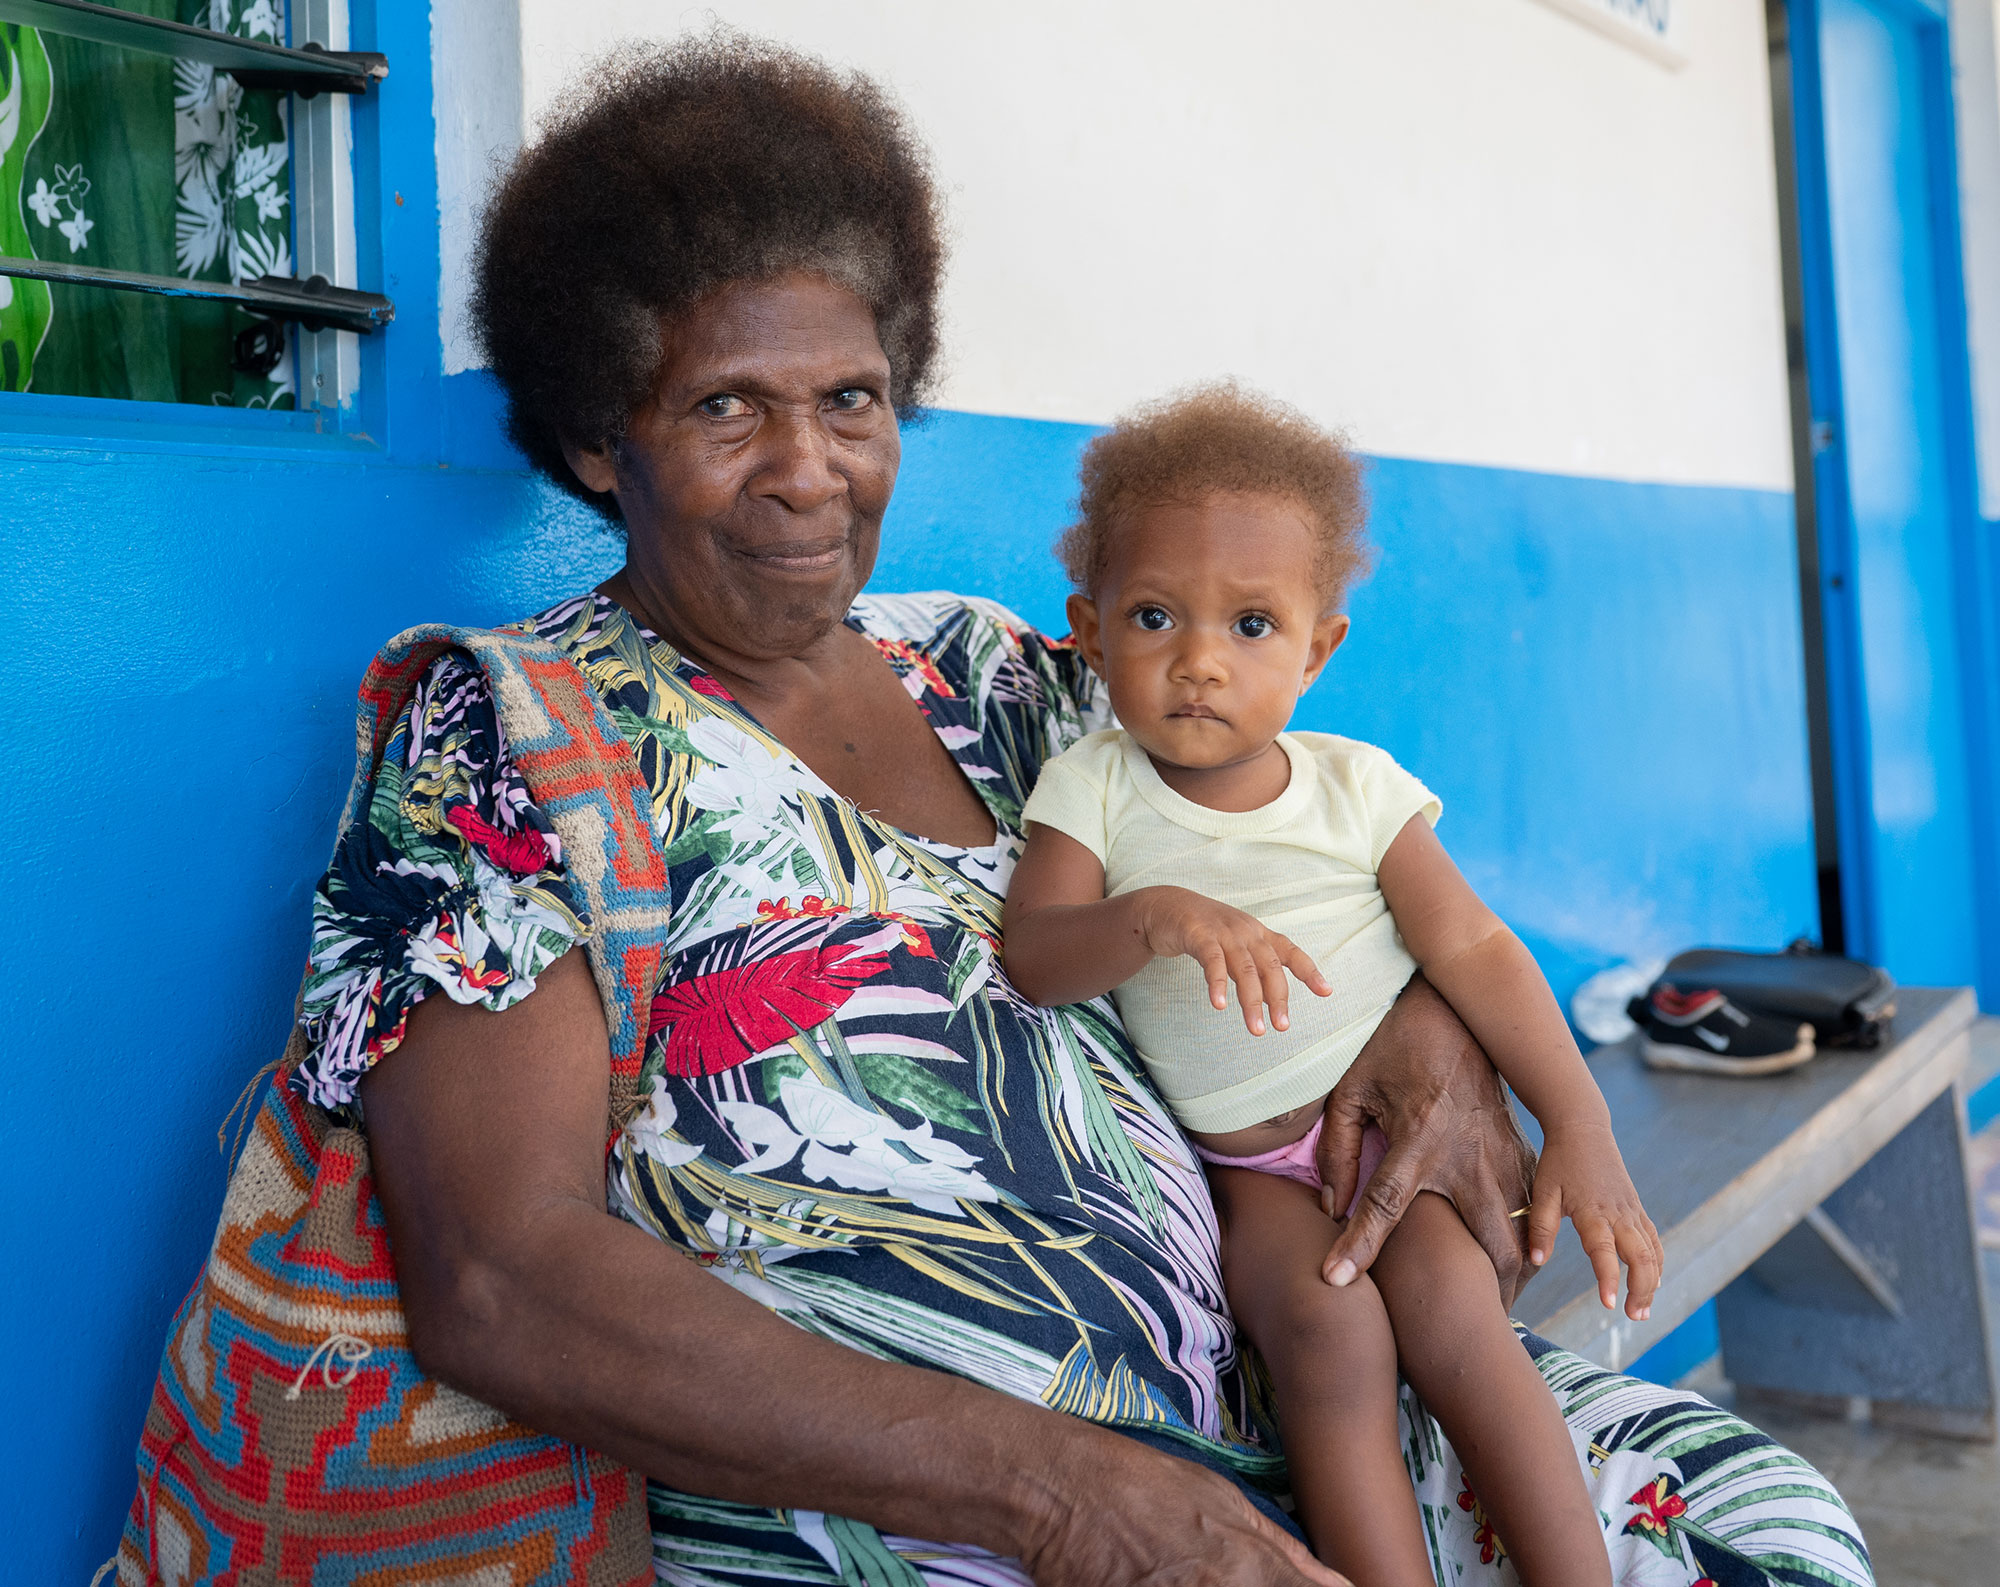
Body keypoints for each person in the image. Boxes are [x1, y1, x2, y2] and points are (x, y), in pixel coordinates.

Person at [298, 32, 1874, 1586]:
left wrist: (1425, 1035)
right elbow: (502, 1276)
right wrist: (1063, 1497)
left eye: (851, 399)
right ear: (598, 436)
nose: (806, 469)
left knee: (1768, 1528)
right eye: (726, 409)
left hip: (1281, 1401)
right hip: (912, 1516)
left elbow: (1306, 849)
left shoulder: (994, 675)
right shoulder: (516, 740)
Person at [1002, 385, 1664, 1586]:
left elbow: (1473, 950)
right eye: (1153, 616)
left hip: (1397, 1144)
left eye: (1250, 626)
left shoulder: (1355, 789)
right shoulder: (1092, 787)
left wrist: (1577, 1119)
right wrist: (1148, 917)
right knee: (1324, 1343)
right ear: (1088, 633)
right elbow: (1032, 959)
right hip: (1250, 1177)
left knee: (1460, 1329)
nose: (1198, 662)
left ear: (1318, 647)